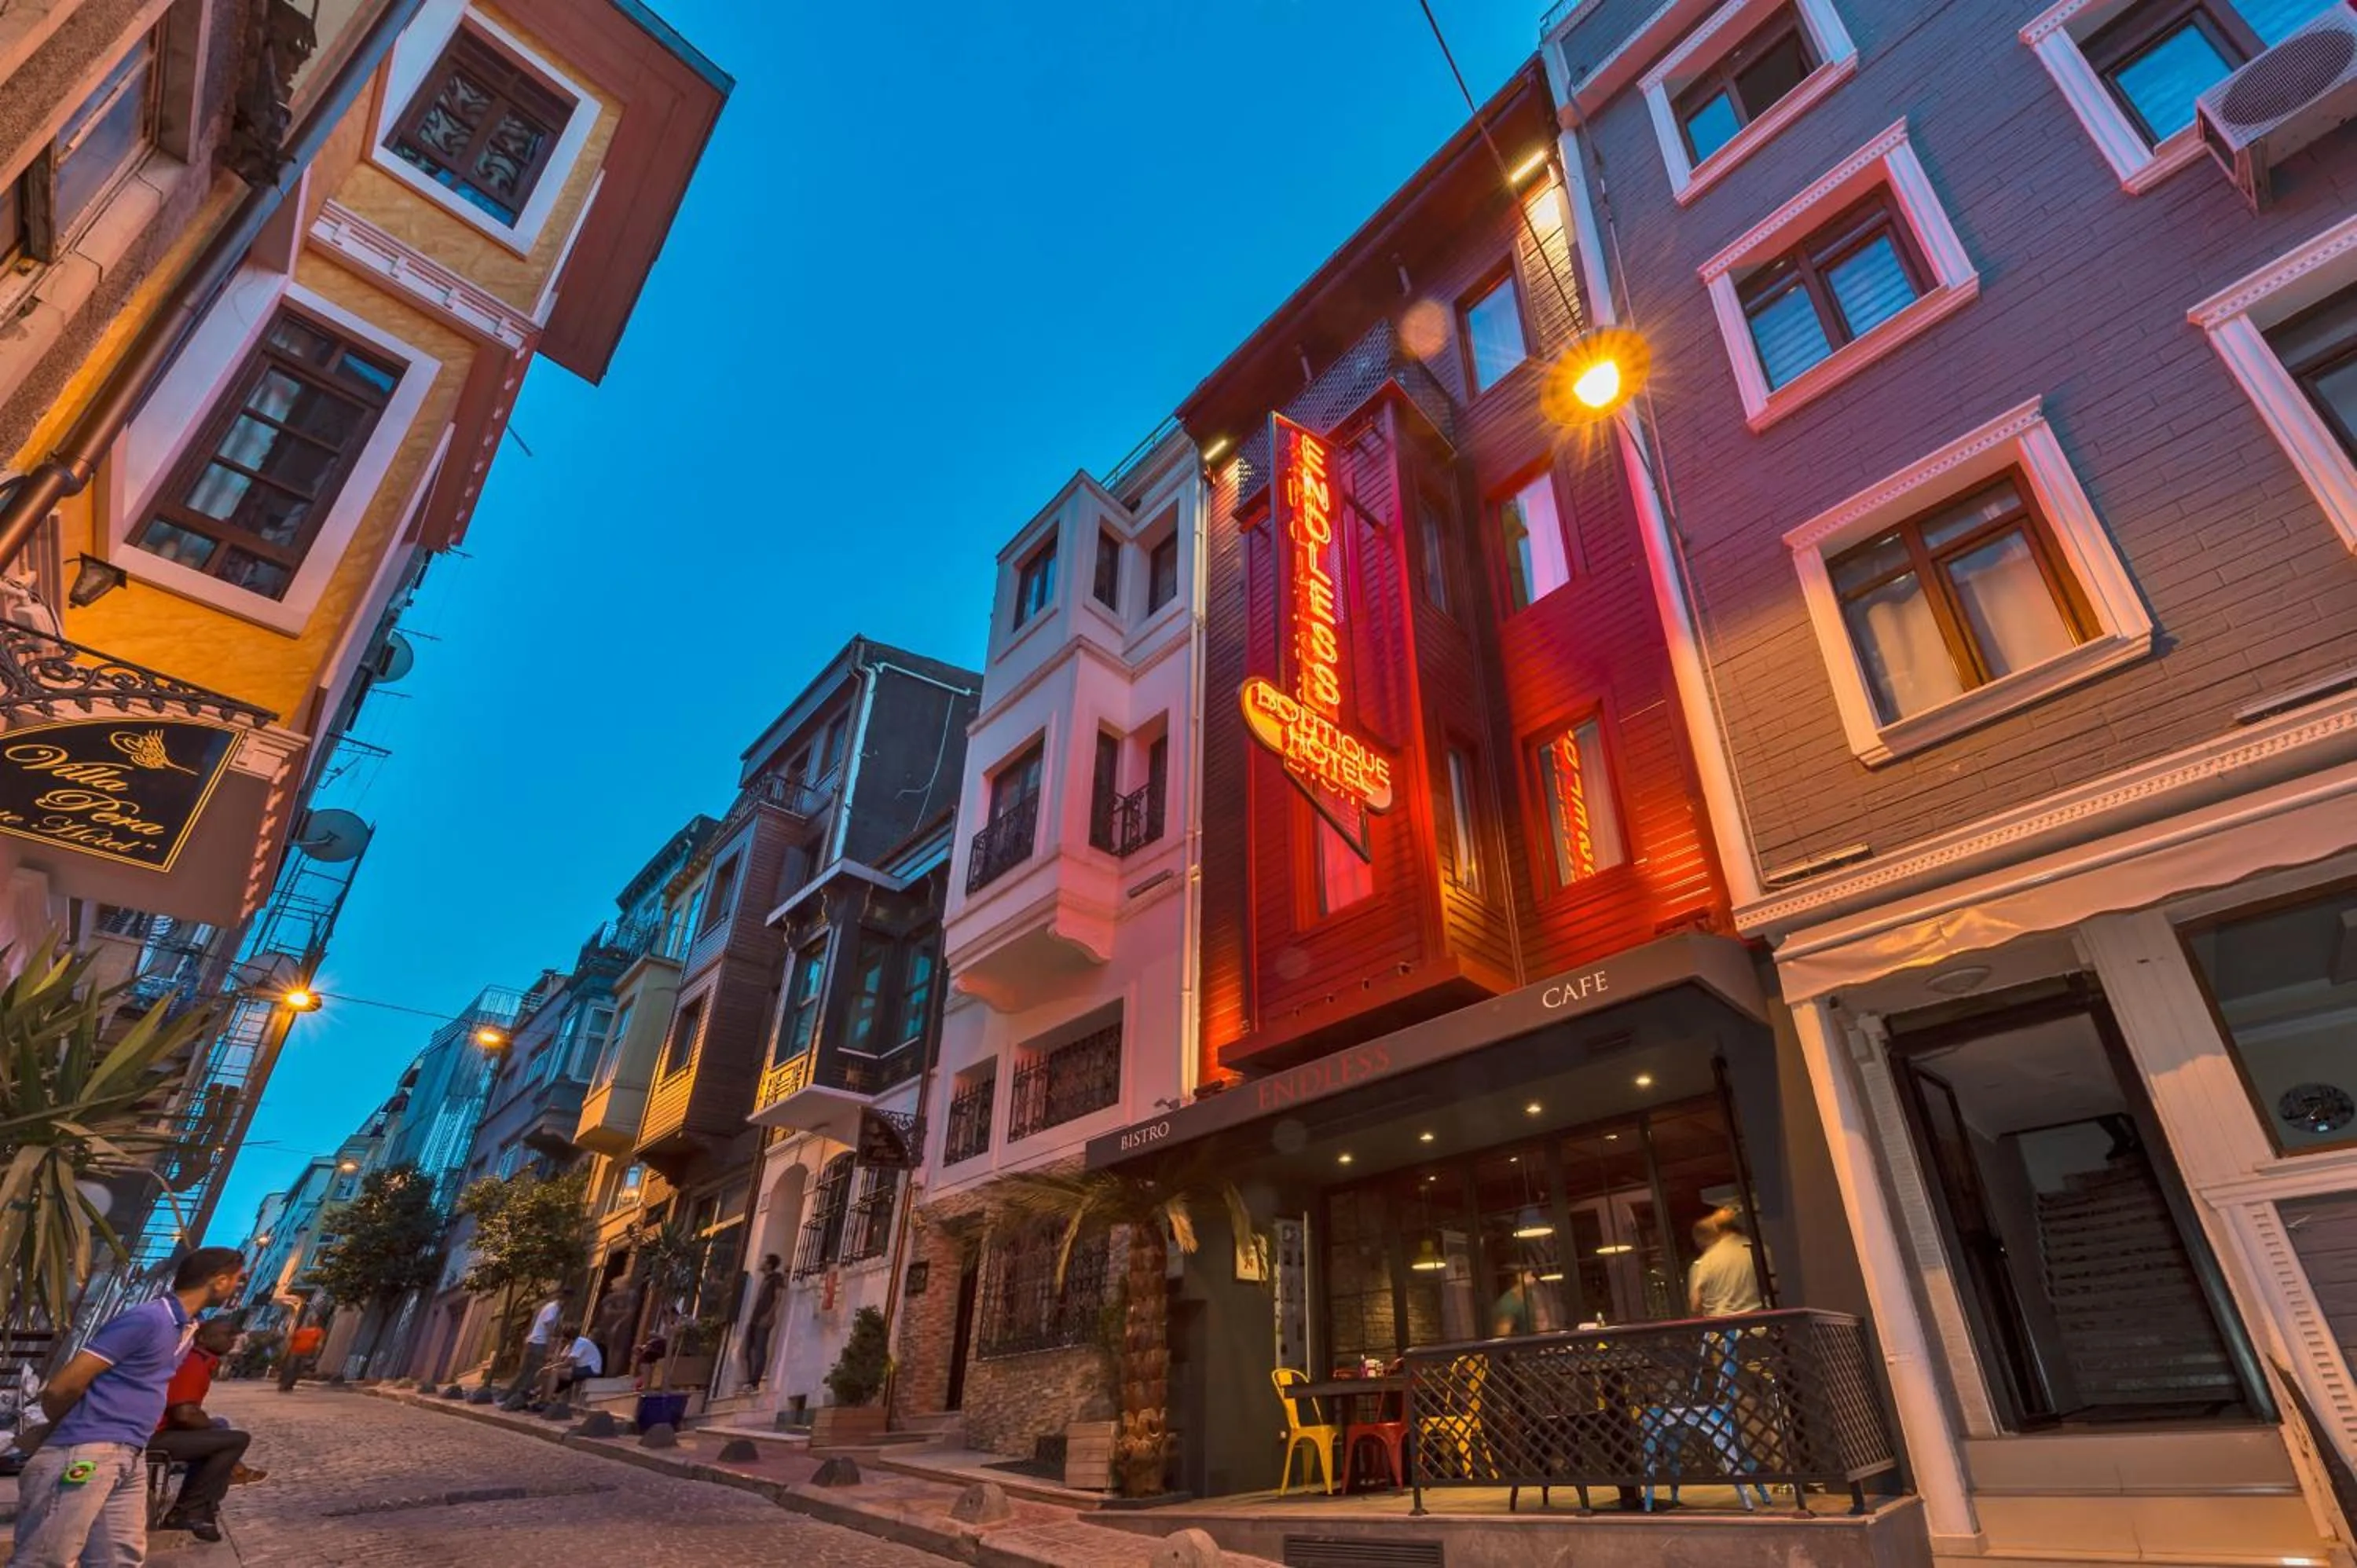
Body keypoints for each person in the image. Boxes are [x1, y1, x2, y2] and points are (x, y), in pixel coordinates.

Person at [12, 1246, 245, 1567]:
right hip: (89, 1451)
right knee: (46, 1558)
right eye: (237, 1279)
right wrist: (80, 1429)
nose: (239, 1287)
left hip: (130, 1454)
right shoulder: (150, 1318)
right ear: (218, 1281)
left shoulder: (186, 1329)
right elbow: (64, 1385)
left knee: (120, 1558)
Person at [150, 1317, 267, 1542]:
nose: (231, 1340)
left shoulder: (200, 1361)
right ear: (203, 1338)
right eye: (226, 1335)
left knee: (220, 1428)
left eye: (233, 1335)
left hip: (161, 1431)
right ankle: (190, 1510)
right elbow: (184, 1414)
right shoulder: (193, 1363)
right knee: (235, 1439)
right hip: (152, 1436)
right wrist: (213, 1430)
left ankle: (201, 1509)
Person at [1688, 1207, 1765, 1317]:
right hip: (1762, 1324)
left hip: (1724, 1329)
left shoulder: (1703, 1263)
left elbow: (1696, 1305)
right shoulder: (1760, 1250)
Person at [504, 1287, 573, 1409]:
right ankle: (515, 1401)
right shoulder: (553, 1308)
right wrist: (552, 1342)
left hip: (534, 1342)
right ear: (565, 1299)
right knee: (533, 1374)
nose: (568, 1303)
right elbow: (549, 1325)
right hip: (539, 1344)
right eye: (569, 1300)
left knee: (525, 1373)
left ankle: (508, 1398)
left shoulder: (551, 1307)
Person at [741, 1255, 783, 1387]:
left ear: (769, 1265)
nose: (761, 1263)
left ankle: (754, 1382)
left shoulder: (776, 1278)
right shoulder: (765, 1279)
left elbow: (778, 1298)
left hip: (764, 1319)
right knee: (747, 1350)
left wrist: (770, 1315)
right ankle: (750, 1379)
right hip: (755, 1318)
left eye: (764, 1261)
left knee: (760, 1349)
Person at [548, 1326, 601, 1402]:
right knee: (553, 1371)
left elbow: (567, 1363)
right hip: (581, 1367)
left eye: (564, 1340)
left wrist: (548, 1368)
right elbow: (559, 1360)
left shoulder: (580, 1343)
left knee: (555, 1372)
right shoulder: (570, 1345)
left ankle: (548, 1399)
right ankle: (544, 1394)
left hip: (591, 1369)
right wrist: (559, 1347)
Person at [276, 1316, 323, 1392]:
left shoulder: (318, 1331)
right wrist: (287, 1350)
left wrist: (316, 1354)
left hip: (306, 1353)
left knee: (298, 1369)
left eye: (314, 1320)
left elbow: (319, 1343)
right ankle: (284, 1385)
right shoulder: (301, 1330)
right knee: (290, 1368)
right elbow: (291, 1339)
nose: (312, 1322)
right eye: (311, 1320)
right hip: (294, 1351)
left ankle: (290, 1385)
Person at [1491, 1268, 1541, 1337]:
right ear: (1519, 1277)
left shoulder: (1528, 1296)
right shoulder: (1508, 1303)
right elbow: (1503, 1336)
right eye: (1529, 1276)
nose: (1533, 1280)